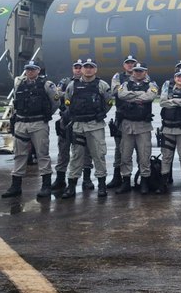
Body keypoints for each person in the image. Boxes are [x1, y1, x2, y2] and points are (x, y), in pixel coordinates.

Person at [1, 61, 59, 199]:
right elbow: (16, 102)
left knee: (42, 154)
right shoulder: (19, 84)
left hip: (38, 123)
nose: (30, 72)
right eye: (28, 69)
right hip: (21, 123)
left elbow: (56, 102)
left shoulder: (46, 85)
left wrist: (46, 114)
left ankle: (45, 186)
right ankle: (16, 186)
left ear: (38, 71)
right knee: (19, 155)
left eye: (33, 69)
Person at [61, 58, 112, 198]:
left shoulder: (102, 85)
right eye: (86, 67)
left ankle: (102, 186)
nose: (88, 69)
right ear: (81, 69)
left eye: (91, 67)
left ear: (95, 69)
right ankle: (71, 186)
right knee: (76, 156)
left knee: (99, 155)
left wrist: (100, 114)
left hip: (95, 125)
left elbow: (108, 102)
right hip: (78, 126)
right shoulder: (73, 85)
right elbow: (67, 103)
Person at [114, 62, 159, 194]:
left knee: (144, 156)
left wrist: (132, 97)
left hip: (143, 126)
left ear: (145, 72)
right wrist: (140, 97)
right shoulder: (125, 84)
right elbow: (121, 95)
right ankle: (126, 182)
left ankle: (144, 182)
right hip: (127, 125)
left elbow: (151, 96)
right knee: (125, 156)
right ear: (132, 72)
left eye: (141, 71)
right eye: (136, 70)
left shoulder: (152, 84)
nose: (138, 73)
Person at [52, 60, 94, 194]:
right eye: (76, 67)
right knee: (63, 149)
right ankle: (60, 178)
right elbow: (56, 95)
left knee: (86, 150)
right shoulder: (65, 82)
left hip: (82, 121)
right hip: (66, 120)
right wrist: (70, 93)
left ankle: (87, 179)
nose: (78, 70)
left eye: (80, 68)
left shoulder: (90, 83)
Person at [107, 55, 137, 189]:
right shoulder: (117, 76)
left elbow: (147, 92)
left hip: (138, 117)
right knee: (119, 149)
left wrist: (125, 92)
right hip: (122, 117)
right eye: (128, 63)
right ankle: (117, 177)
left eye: (132, 63)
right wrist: (135, 93)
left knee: (141, 150)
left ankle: (144, 178)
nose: (130, 65)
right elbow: (115, 91)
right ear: (124, 65)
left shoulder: (142, 75)